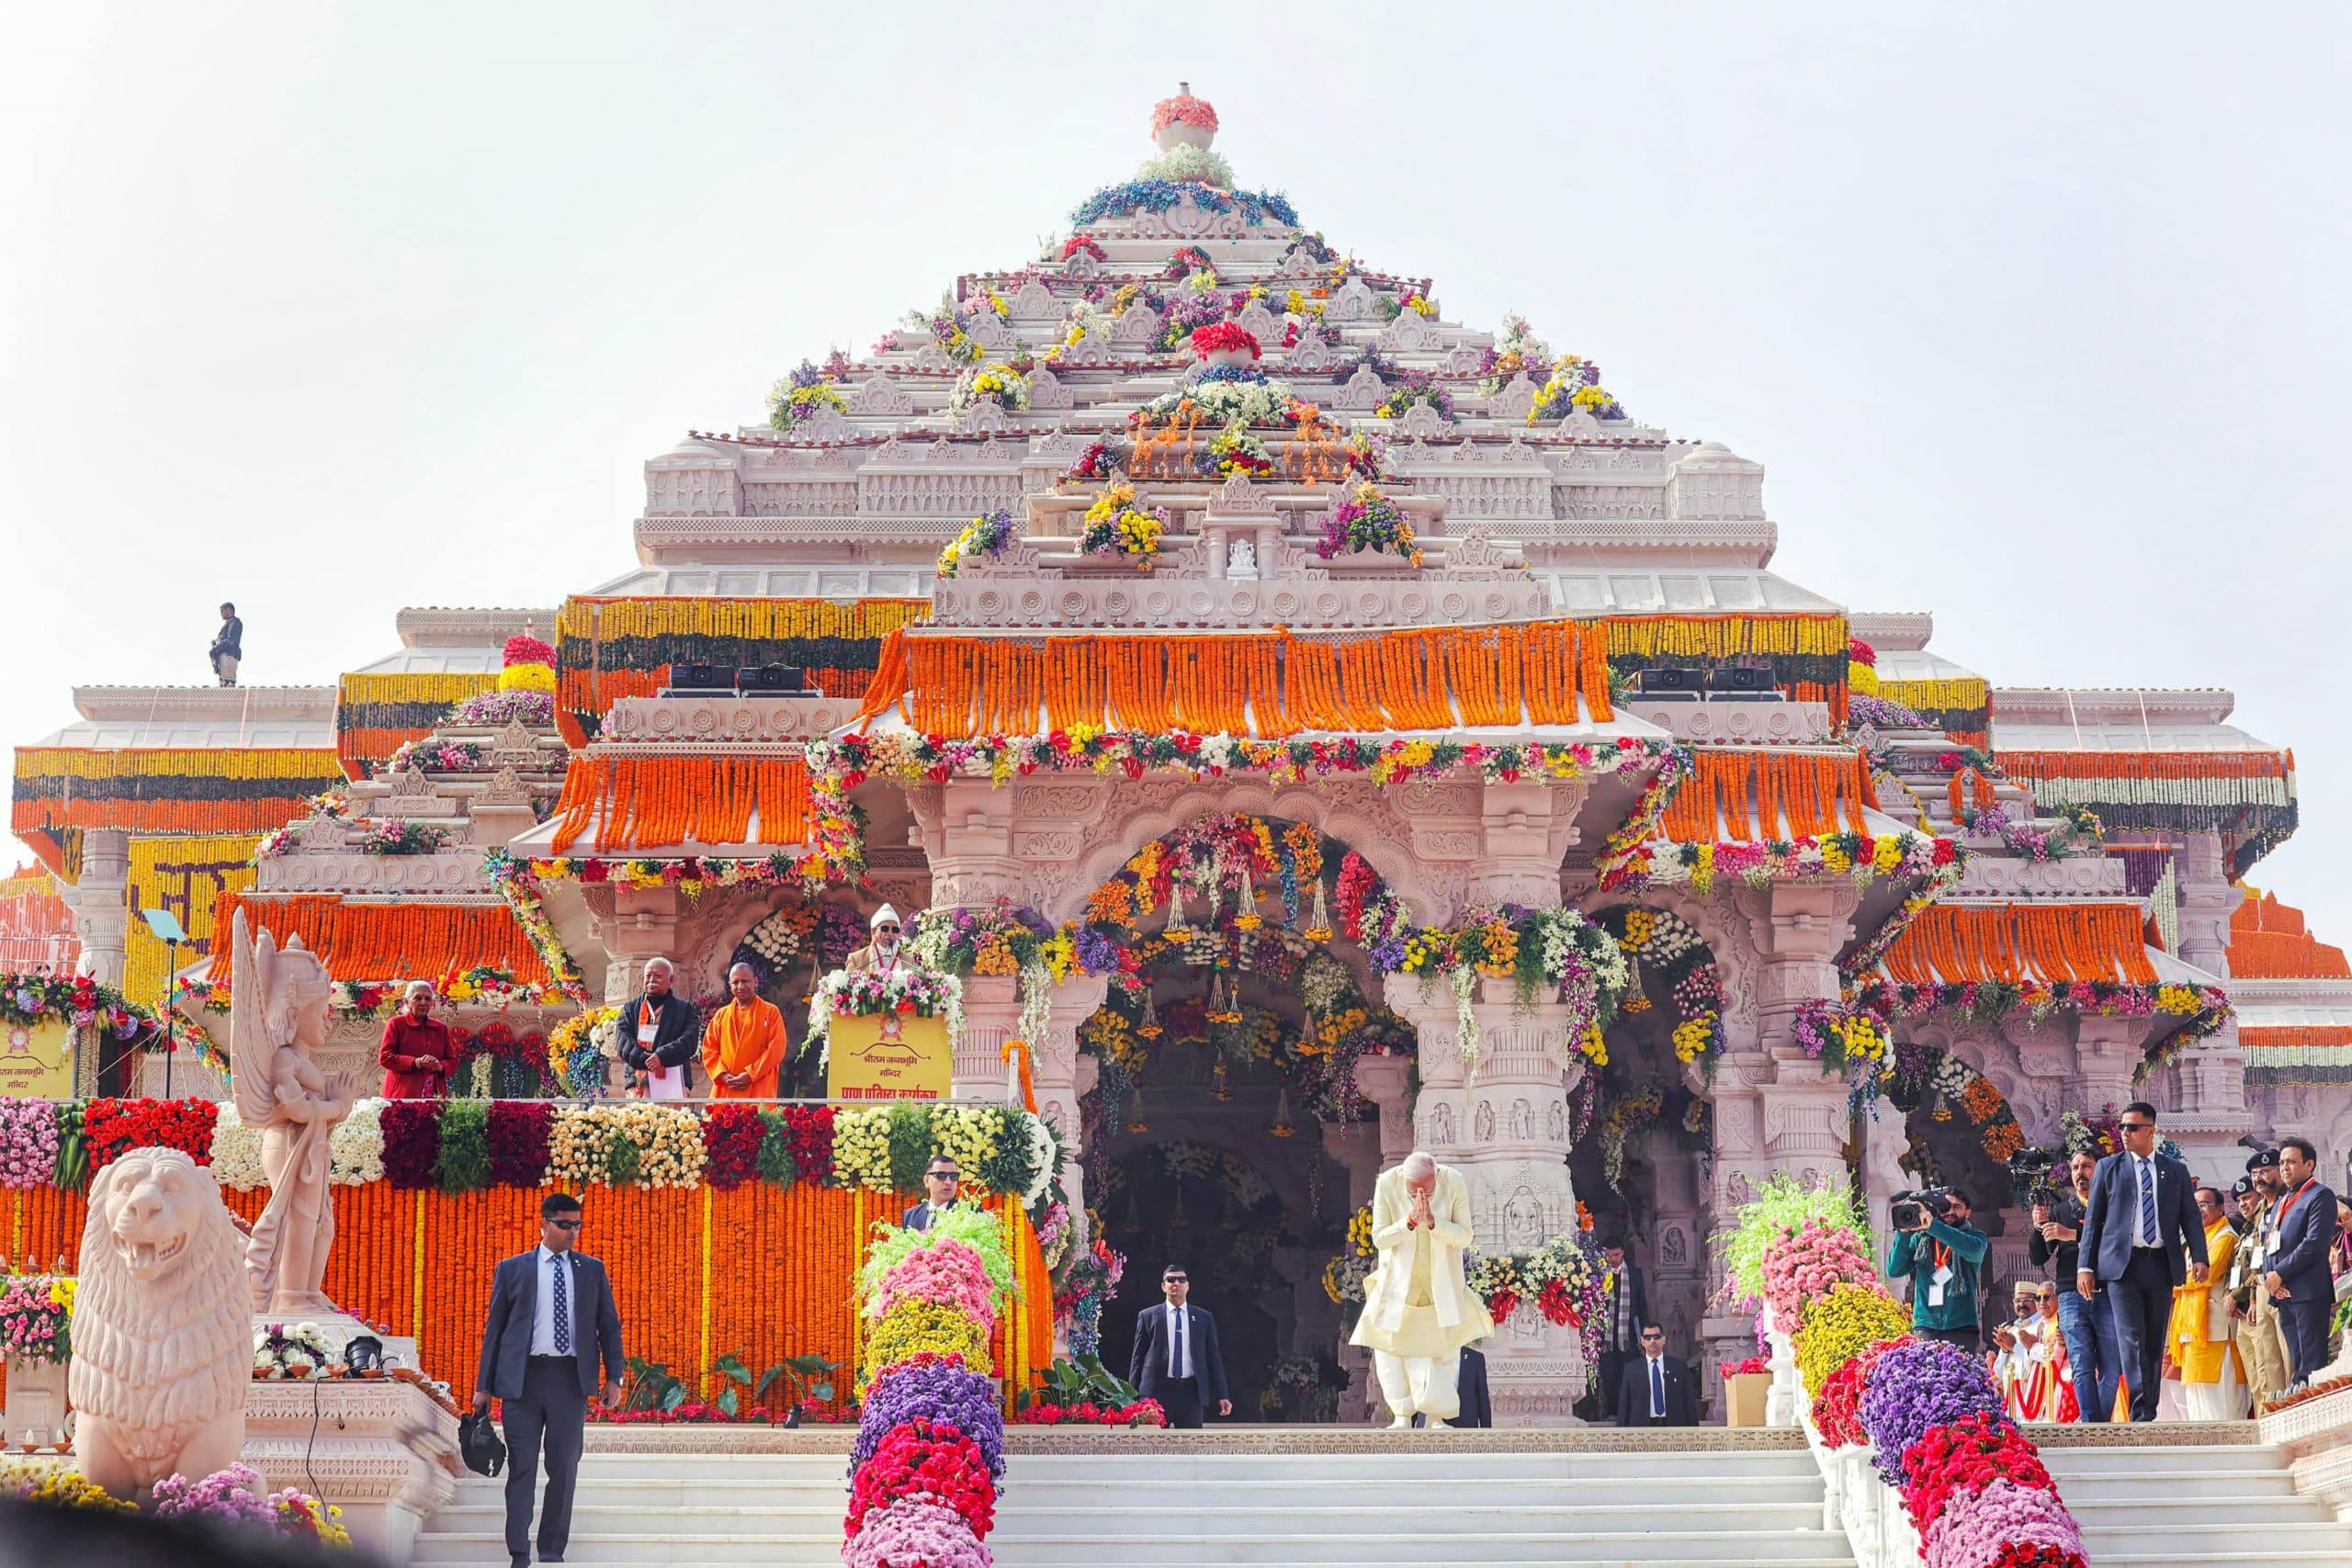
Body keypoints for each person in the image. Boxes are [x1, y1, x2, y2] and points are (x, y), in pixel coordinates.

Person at [474, 1192, 625, 1568]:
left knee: (564, 1468)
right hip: (522, 1381)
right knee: (522, 1467)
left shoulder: (591, 1270)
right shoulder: (513, 1269)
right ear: (543, 1224)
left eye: (577, 1225)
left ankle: (552, 1550)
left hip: (569, 1381)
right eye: (564, 1224)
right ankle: (519, 1551)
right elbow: (495, 1331)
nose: (572, 1231)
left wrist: (614, 1377)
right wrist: (483, 1387)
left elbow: (609, 1326)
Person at [2077, 1101, 2208, 1422]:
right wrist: (2086, 1266)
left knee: (2153, 1338)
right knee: (2131, 1337)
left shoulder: (2174, 1171)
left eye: (2133, 1127)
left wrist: (2200, 1257)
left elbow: (2190, 1218)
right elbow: (2093, 1221)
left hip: (2160, 1263)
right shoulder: (2109, 1167)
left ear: (2150, 1131)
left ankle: (2148, 1405)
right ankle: (2140, 1409)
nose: (2125, 1133)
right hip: (2122, 1266)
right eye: (2122, 1127)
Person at [1347, 1151, 1494, 1427]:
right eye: (1413, 1192)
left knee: (1442, 1352)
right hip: (1398, 1286)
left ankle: (1437, 1417)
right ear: (1403, 1178)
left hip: (1441, 1286)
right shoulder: (1387, 1184)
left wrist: (1434, 1223)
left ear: (1436, 1176)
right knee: (1391, 1351)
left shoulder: (1453, 1181)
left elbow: (1465, 1236)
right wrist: (1410, 1223)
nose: (1420, 1197)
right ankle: (1402, 1416)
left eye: (1427, 1191)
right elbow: (1380, 1238)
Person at [2030, 1147, 2120, 1421]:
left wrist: (2073, 1235)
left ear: (2100, 1170)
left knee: (2111, 1366)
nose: (2081, 1172)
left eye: (2087, 1166)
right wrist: (2038, 1227)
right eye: (2075, 1167)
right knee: (2081, 1362)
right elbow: (2039, 1256)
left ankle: (2100, 1426)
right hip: (2070, 1293)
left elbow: (2116, 1242)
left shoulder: (2114, 1205)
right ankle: (2092, 1427)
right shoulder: (2061, 1210)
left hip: (2107, 1291)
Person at [2264, 1135, 2341, 1389]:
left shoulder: (2320, 1195)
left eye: (2291, 1162)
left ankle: (2316, 1407)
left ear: (2309, 1164)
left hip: (2308, 1291)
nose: (2284, 1167)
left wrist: (2280, 1274)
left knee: (2311, 1364)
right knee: (2297, 1362)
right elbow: (2268, 1244)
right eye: (2281, 1162)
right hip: (2282, 1292)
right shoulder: (2281, 1201)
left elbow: (2314, 1243)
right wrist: (2271, 1279)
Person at [2165, 1184, 2244, 1420]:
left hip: (2215, 1331)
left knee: (2220, 1402)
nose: (2198, 1210)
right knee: (2197, 1401)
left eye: (2204, 1204)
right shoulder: (2196, 1240)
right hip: (2193, 1330)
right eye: (2194, 1205)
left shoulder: (2225, 1236)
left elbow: (2206, 1273)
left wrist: (2172, 1280)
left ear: (2220, 1209)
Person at [1127, 1264, 1231, 1428]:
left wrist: (1222, 1394)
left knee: (1191, 1443)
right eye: (1171, 1280)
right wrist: (1130, 1396)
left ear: (1188, 1286)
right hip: (1156, 1393)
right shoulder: (1148, 1316)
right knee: (1153, 1443)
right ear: (1163, 1286)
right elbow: (1138, 1358)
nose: (1177, 1283)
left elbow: (1213, 1358)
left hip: (1191, 1393)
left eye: (1182, 1280)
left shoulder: (1204, 1318)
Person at [1886, 1188, 1990, 1352]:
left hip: (1962, 1327)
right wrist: (1904, 1233)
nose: (1950, 1211)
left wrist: (1934, 1226)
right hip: (1925, 1325)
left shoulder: (1976, 1237)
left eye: (1957, 1207)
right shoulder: (1921, 1238)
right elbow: (1894, 1269)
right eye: (1945, 1206)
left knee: (1960, 1369)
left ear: (1968, 1213)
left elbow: (1973, 1251)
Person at [2232, 1149, 2291, 1409]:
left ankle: (2291, 1409)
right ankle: (2273, 1414)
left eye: (2265, 1172)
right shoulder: (2260, 1212)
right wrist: (2254, 1297)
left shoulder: (2288, 1202)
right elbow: (2258, 1256)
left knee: (2287, 1357)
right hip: (2260, 1289)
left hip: (2283, 1284)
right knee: (2267, 1362)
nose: (2259, 1177)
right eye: (2255, 1173)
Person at [699, 962, 786, 1100]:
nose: (740, 986)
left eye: (745, 981)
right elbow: (709, 1050)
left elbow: (776, 1050)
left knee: (757, 1114)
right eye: (735, 982)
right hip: (726, 1089)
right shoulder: (721, 1015)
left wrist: (751, 1074)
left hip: (759, 1088)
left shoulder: (770, 1012)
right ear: (730, 985)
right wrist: (722, 1075)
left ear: (755, 981)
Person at [616, 957, 697, 1100]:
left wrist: (661, 1056)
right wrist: (648, 1061)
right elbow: (623, 1042)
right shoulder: (630, 1008)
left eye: (658, 976)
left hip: (673, 1078)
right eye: (648, 976)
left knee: (672, 1115)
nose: (651, 980)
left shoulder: (685, 1009)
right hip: (638, 1079)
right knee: (639, 1114)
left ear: (671, 980)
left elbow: (689, 1042)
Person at [1595, 1237, 1648, 1416]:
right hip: (1606, 1337)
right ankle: (1612, 1411)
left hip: (1628, 1335)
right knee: (1608, 1374)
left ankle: (1626, 1412)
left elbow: (1641, 1305)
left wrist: (1645, 1334)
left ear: (1623, 1253)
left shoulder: (1634, 1274)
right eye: (1609, 1255)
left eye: (1616, 1254)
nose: (1612, 1259)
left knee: (1628, 1374)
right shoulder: (1599, 1274)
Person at [377, 981, 453, 1099]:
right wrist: (416, 1062)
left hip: (435, 1094)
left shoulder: (440, 1028)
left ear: (432, 1003)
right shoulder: (396, 1024)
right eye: (418, 998)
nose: (423, 1002)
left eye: (428, 999)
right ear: (406, 1002)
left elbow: (452, 1061)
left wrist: (440, 1066)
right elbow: (385, 1057)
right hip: (403, 1094)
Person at [1614, 1323, 1696, 1427]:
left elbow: (1689, 1403)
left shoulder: (1679, 1367)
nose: (1652, 1341)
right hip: (1641, 1428)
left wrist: (1694, 1431)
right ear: (1642, 1341)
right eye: (1648, 1337)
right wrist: (1621, 1433)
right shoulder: (1631, 1369)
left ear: (1663, 1340)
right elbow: (1624, 1406)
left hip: (1673, 1428)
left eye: (1656, 1337)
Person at [900, 1155, 961, 1232]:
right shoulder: (910, 1216)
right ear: (926, 1181)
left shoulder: (970, 1214)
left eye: (953, 1176)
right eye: (941, 1175)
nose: (948, 1182)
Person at [1443, 1341, 1493, 1428]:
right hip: (1439, 1425)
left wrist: (1487, 1432)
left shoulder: (1475, 1358)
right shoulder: (1433, 1357)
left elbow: (1482, 1397)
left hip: (1467, 1426)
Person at [845, 905, 908, 974]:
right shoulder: (856, 960)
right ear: (874, 931)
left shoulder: (908, 961)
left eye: (894, 930)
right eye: (885, 928)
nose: (890, 933)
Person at [209, 603, 243, 687]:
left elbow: (231, 641)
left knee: (228, 682)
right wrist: (216, 643)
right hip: (225, 654)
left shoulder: (234, 623)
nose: (221, 613)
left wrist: (217, 647)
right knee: (224, 682)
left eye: (222, 611)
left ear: (229, 610)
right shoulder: (229, 623)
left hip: (229, 655)